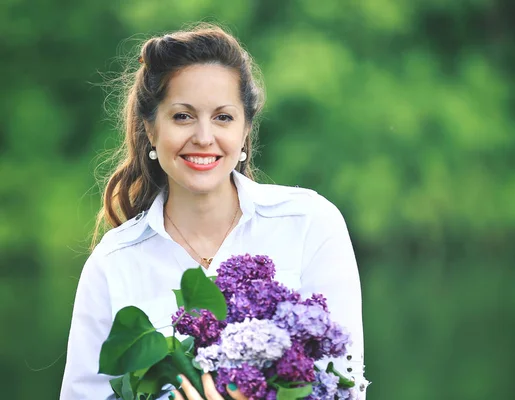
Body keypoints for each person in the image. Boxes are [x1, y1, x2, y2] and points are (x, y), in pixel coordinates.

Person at [60, 23, 369, 400]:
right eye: (183, 116)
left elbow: (345, 385)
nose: (204, 137)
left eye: (223, 117)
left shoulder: (310, 224)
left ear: (245, 130)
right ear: (151, 130)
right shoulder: (113, 263)